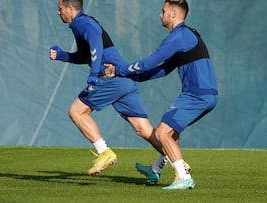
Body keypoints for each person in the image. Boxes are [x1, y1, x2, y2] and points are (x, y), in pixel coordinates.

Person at [104, 0, 218, 190]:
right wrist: (135, 78)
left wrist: (119, 70)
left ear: (173, 14)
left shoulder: (179, 36)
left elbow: (149, 63)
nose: (160, 14)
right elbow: (163, 69)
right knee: (172, 133)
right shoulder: (186, 36)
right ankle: (155, 169)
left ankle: (183, 177)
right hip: (206, 95)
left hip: (196, 95)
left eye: (163, 11)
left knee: (162, 132)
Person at [49, 0, 165, 176]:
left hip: (112, 78)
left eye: (60, 9)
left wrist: (94, 74)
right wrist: (62, 55)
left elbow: (96, 41)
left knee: (76, 112)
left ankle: (104, 152)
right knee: (143, 129)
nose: (58, 12)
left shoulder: (82, 22)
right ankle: (180, 164)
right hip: (126, 80)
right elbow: (85, 56)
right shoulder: (79, 25)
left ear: (71, 9)